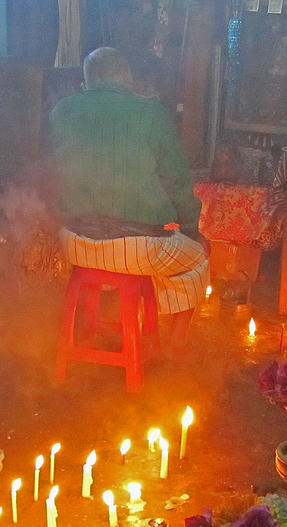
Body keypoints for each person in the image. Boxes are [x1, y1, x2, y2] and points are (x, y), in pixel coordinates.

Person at [51, 47, 209, 350]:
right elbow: (177, 181)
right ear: (128, 78)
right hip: (137, 250)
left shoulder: (62, 110)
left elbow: (48, 175)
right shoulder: (152, 113)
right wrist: (191, 232)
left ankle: (93, 334)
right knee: (197, 258)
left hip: (74, 244)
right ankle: (172, 353)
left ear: (86, 82)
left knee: (155, 254)